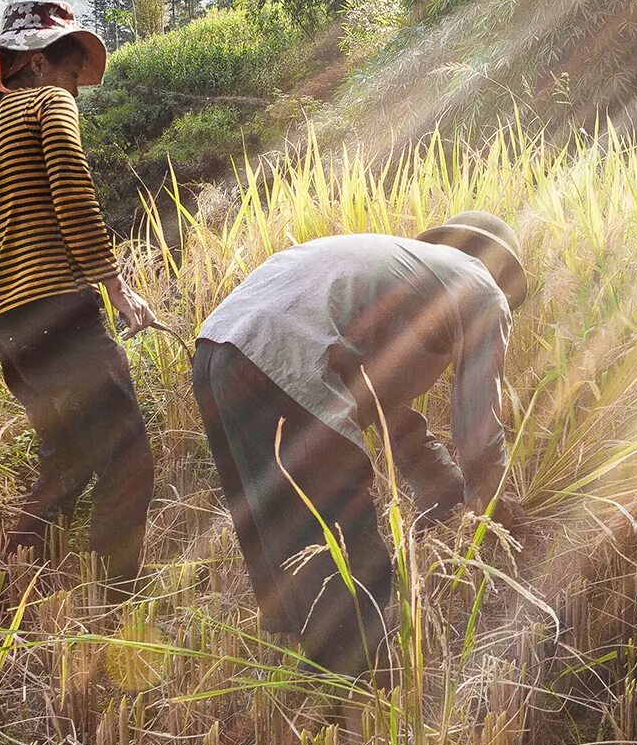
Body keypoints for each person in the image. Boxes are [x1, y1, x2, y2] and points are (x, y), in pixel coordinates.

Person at [192, 212, 528, 676]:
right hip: (281, 356)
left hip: (216, 349)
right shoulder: (482, 289)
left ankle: (322, 680)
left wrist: (448, 495)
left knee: (282, 525)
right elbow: (478, 427)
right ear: (500, 271)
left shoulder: (400, 277)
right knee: (348, 544)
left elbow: (390, 418)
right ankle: (359, 688)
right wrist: (490, 503)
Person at [0, 0, 157, 598]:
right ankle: (116, 601)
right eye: (69, 74)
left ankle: (15, 568)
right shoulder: (46, 104)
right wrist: (115, 284)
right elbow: (74, 195)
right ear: (35, 63)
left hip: (11, 332)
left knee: (66, 455)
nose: (74, 91)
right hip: (59, 313)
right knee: (127, 456)